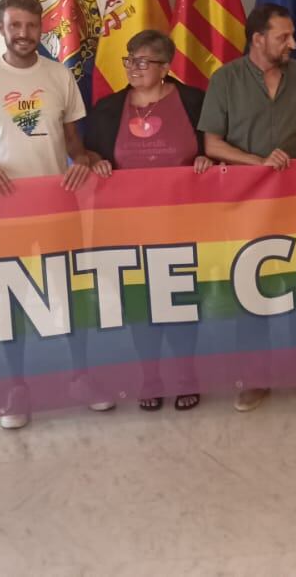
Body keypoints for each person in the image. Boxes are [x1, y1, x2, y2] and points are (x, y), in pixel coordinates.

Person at [0, 0, 105, 428]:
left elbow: (75, 145)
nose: (23, 34)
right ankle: (16, 388)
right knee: (10, 297)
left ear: (42, 28)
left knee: (71, 292)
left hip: (58, 205)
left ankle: (81, 376)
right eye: (14, 25)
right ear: (1, 27)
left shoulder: (59, 76)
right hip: (5, 209)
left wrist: (87, 163)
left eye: (31, 26)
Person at [199, 3, 296, 412]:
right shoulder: (225, 79)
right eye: (283, 36)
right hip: (244, 203)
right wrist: (259, 164)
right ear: (258, 39)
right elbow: (212, 144)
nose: (293, 42)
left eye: (292, 35)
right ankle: (255, 378)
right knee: (250, 290)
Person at [85, 29, 211, 412]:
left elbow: (215, 144)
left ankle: (187, 374)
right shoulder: (108, 108)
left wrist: (209, 160)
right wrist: (95, 161)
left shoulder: (193, 101)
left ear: (166, 66)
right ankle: (150, 376)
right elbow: (86, 152)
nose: (133, 68)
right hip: (130, 227)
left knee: (182, 300)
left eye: (143, 61)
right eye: (129, 60)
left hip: (182, 223)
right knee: (140, 301)